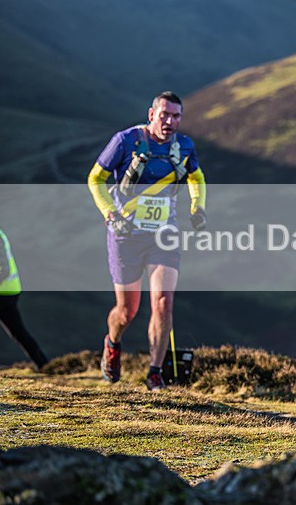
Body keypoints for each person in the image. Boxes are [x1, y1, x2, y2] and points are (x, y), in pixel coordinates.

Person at [87, 91, 207, 391]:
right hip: (125, 235)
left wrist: (197, 207)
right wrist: (110, 213)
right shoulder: (125, 141)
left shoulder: (184, 146)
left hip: (163, 236)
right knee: (127, 311)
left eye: (176, 116)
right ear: (152, 114)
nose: (170, 121)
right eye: (164, 114)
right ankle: (113, 343)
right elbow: (95, 178)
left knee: (164, 303)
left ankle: (155, 373)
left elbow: (197, 178)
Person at [0, 214, 49, 370]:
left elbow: (2, 269)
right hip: (7, 292)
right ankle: (44, 365)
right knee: (18, 332)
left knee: (18, 331)